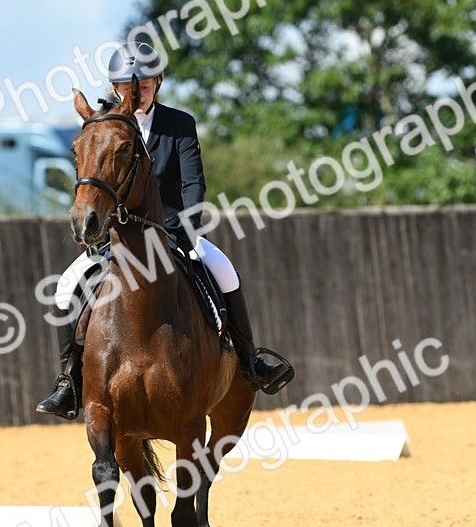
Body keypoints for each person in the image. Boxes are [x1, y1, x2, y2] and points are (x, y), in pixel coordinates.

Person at [36, 41, 294, 419]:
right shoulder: (104, 126)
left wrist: (187, 226)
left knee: (224, 271)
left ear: (158, 83)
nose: (135, 93)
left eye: (143, 85)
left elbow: (193, 184)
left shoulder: (179, 125)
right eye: (127, 86)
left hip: (174, 231)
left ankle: (249, 359)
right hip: (117, 240)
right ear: (114, 89)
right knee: (64, 288)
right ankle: (68, 381)